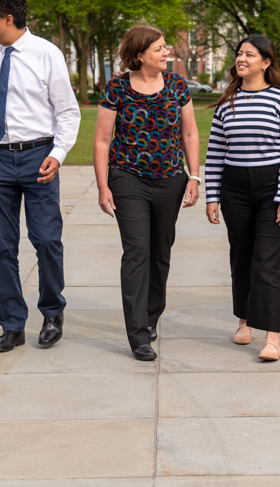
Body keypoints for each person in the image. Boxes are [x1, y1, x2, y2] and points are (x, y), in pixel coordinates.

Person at [0, 0, 81, 353]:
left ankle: (52, 312)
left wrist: (58, 154)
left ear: (8, 19)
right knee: (2, 247)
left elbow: (67, 112)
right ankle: (12, 324)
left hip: (38, 156)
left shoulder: (47, 54)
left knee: (45, 239)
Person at [93, 25, 201, 361]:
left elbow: (190, 133)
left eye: (165, 47)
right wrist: (103, 186)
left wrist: (194, 176)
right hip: (128, 178)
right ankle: (138, 334)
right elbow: (101, 140)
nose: (165, 52)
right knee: (137, 251)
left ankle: (152, 316)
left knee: (160, 251)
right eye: (158, 48)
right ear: (140, 55)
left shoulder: (177, 86)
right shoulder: (117, 88)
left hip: (170, 179)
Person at [205, 35, 280, 362]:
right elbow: (216, 152)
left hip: (272, 188)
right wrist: (212, 196)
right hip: (234, 189)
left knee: (268, 260)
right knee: (242, 256)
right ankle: (244, 322)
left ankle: (272, 337)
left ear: (266, 62)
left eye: (249, 54)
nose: (241, 59)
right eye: (239, 54)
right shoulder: (227, 101)